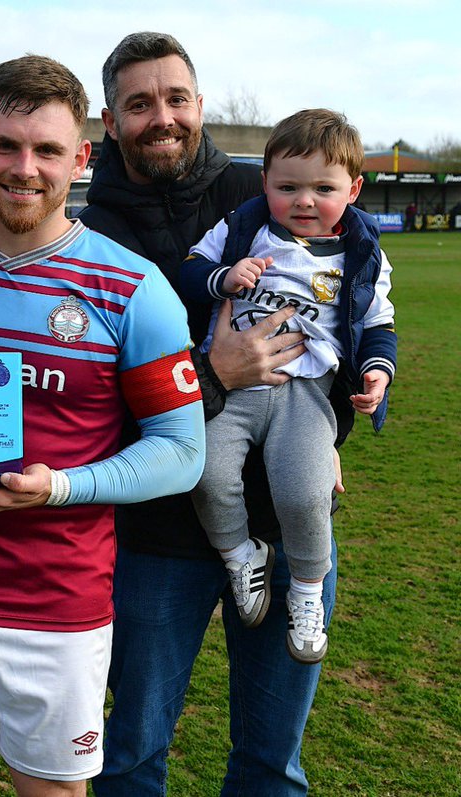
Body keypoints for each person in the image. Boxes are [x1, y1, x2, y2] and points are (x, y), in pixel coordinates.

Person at [0, 55, 205, 797]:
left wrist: (62, 486)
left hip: (58, 603)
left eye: (47, 150)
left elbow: (183, 452)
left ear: (81, 158)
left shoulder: (133, 287)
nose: (23, 168)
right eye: (5, 146)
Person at [79, 32, 337, 795]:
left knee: (271, 763)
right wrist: (212, 377)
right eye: (139, 103)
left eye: (176, 98)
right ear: (110, 119)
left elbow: (341, 327)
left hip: (288, 525)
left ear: (199, 104)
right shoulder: (91, 236)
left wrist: (330, 433)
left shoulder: (270, 191)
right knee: (131, 754)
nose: (162, 117)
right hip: (157, 534)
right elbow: (96, 394)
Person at [180, 109, 396, 663]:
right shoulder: (242, 228)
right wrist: (222, 280)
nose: (304, 200)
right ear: (265, 183)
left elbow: (376, 325)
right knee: (204, 474)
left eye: (323, 188)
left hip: (306, 391)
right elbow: (188, 272)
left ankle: (305, 591)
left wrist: (377, 372)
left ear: (353, 188)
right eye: (288, 187)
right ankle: (240, 553)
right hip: (234, 386)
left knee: (305, 492)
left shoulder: (363, 253)